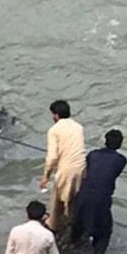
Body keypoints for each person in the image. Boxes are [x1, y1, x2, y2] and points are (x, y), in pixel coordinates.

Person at [71, 129, 127, 254]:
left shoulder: (92, 155)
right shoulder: (121, 160)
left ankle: (74, 244)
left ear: (105, 141)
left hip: (82, 196)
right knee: (104, 231)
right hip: (101, 199)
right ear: (120, 144)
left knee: (78, 223)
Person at [39, 100, 86, 234]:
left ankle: (53, 226)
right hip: (81, 168)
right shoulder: (78, 127)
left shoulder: (54, 130)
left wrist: (45, 176)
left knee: (56, 199)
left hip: (66, 169)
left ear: (56, 115)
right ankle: (72, 222)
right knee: (73, 199)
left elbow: (52, 157)